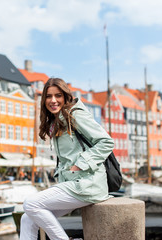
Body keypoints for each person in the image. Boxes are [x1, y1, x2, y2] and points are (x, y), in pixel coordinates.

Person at [20, 78, 114, 240]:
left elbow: (106, 142)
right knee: (27, 218)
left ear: (65, 97)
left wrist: (81, 163)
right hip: (75, 184)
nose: (53, 100)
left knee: (31, 204)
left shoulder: (76, 115)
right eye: (49, 96)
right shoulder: (57, 121)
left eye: (58, 96)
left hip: (88, 184)